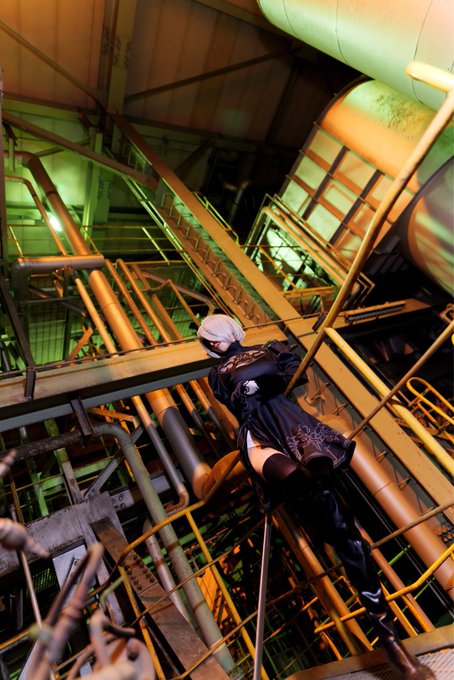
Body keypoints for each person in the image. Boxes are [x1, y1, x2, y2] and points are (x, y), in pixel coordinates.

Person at [197, 313, 435, 679]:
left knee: (347, 536)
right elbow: (237, 396)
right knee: (294, 479)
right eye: (209, 341)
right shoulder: (218, 374)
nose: (213, 345)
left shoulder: (271, 347)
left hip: (294, 427)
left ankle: (390, 642)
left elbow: (294, 372)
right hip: (258, 436)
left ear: (220, 336)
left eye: (211, 339)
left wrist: (264, 377)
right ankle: (328, 531)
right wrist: (261, 378)